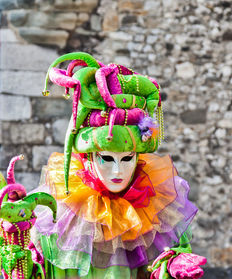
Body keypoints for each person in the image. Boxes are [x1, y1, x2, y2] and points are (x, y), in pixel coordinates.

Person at [32, 52, 205, 278]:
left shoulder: (159, 207)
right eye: (107, 158)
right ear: (89, 157)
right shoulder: (60, 209)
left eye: (126, 159)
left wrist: (171, 266)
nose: (117, 171)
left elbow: (171, 257)